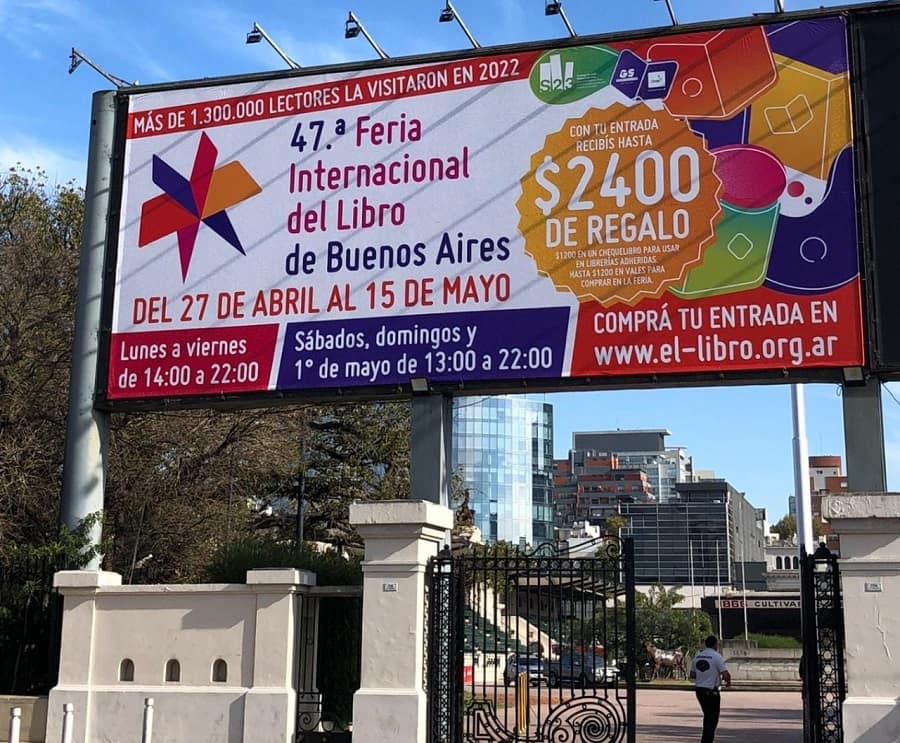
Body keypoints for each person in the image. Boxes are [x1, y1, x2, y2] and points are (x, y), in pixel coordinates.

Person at [689, 635, 731, 743]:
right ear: (715, 645)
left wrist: (703, 675)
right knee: (712, 718)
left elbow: (692, 675)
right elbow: (725, 674)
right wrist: (728, 682)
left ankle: (706, 739)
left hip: (699, 690)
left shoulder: (698, 656)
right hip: (712, 690)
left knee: (707, 715)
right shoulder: (717, 656)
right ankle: (707, 740)